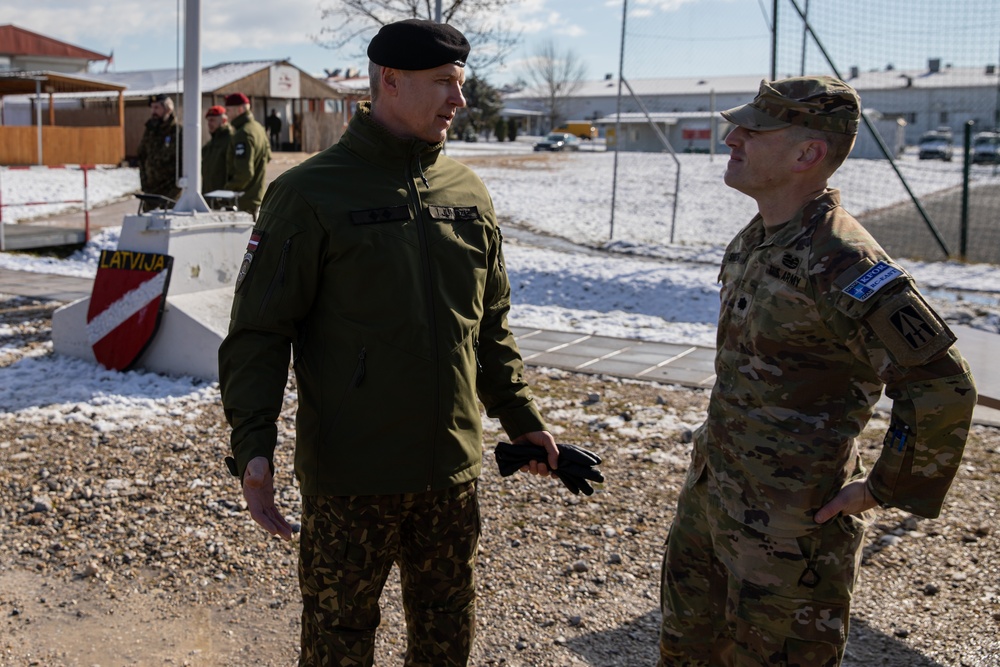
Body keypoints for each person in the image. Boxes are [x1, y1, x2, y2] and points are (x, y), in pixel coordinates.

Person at [218, 19, 558, 667]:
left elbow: (490, 326)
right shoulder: (308, 195)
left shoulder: (468, 194)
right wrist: (252, 446)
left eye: (461, 83)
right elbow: (259, 333)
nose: (460, 100)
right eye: (445, 84)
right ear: (390, 82)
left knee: (445, 635)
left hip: (451, 478)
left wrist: (522, 419)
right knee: (337, 642)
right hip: (352, 480)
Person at [658, 76, 978, 666]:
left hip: (789, 532)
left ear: (808, 154)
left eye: (753, 130)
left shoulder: (842, 259)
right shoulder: (759, 238)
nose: (732, 138)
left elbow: (942, 384)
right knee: (686, 651)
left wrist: (884, 487)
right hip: (714, 498)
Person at [222, 92, 270, 218]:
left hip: (244, 201)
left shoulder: (243, 133)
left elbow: (245, 173)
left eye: (229, 110)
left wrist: (227, 189)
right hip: (254, 197)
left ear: (240, 109)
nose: (226, 114)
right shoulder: (258, 128)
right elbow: (268, 156)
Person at [136, 93, 181, 212]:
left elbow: (183, 163)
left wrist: (175, 191)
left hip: (170, 194)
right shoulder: (150, 130)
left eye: (157, 108)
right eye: (152, 107)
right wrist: (144, 184)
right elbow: (142, 156)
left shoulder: (177, 131)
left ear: (168, 109)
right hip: (151, 192)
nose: (153, 111)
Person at [201, 105, 232, 206]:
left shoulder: (230, 139)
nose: (209, 124)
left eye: (212, 120)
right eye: (208, 121)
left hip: (223, 198)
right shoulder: (211, 144)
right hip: (210, 197)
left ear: (223, 121)